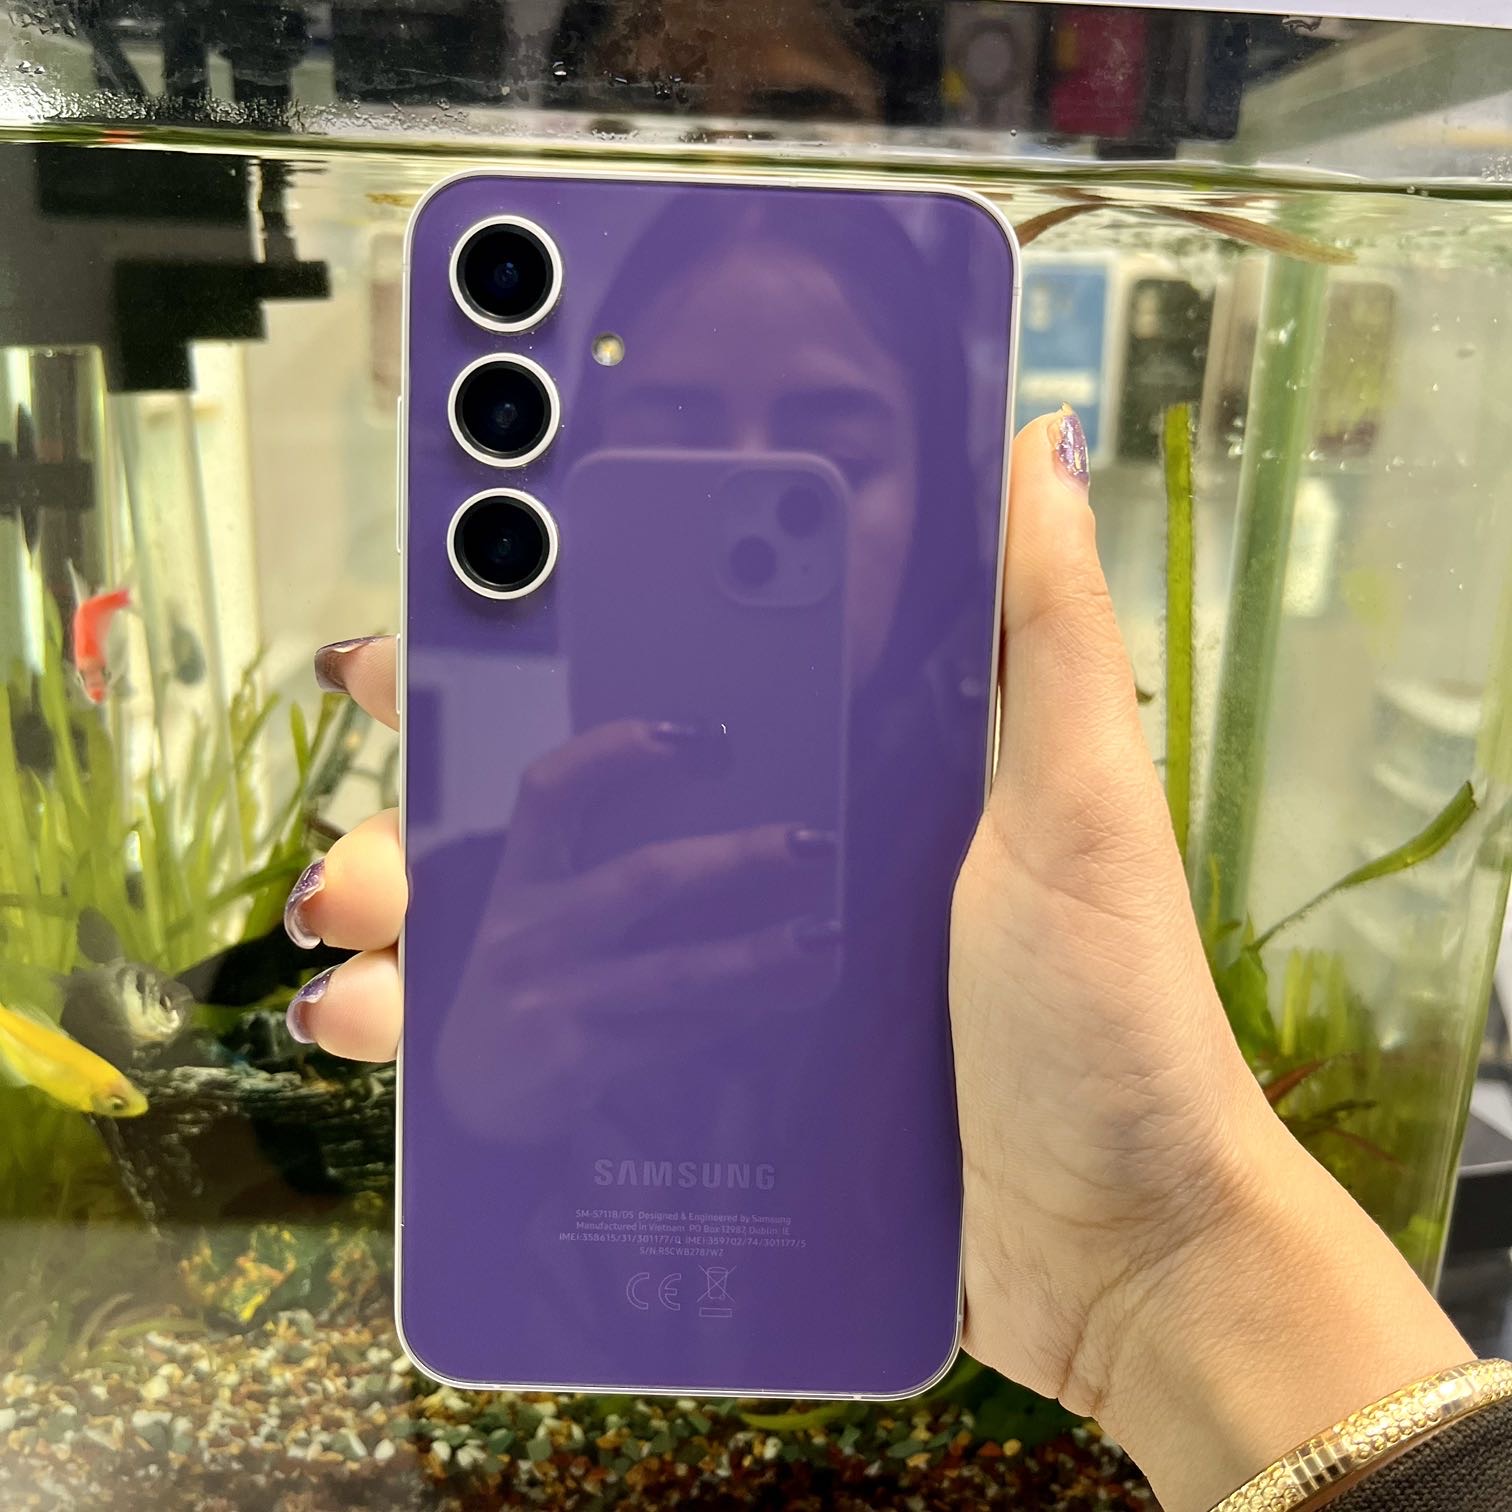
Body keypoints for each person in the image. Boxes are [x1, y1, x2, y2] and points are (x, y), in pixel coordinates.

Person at [282, 410, 1512, 1511]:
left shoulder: (990, 843)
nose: (739, 492)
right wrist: (485, 1131)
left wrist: (1157, 1260)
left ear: (936, 510)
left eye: (831, 443)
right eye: (673, 428)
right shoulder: (506, 853)